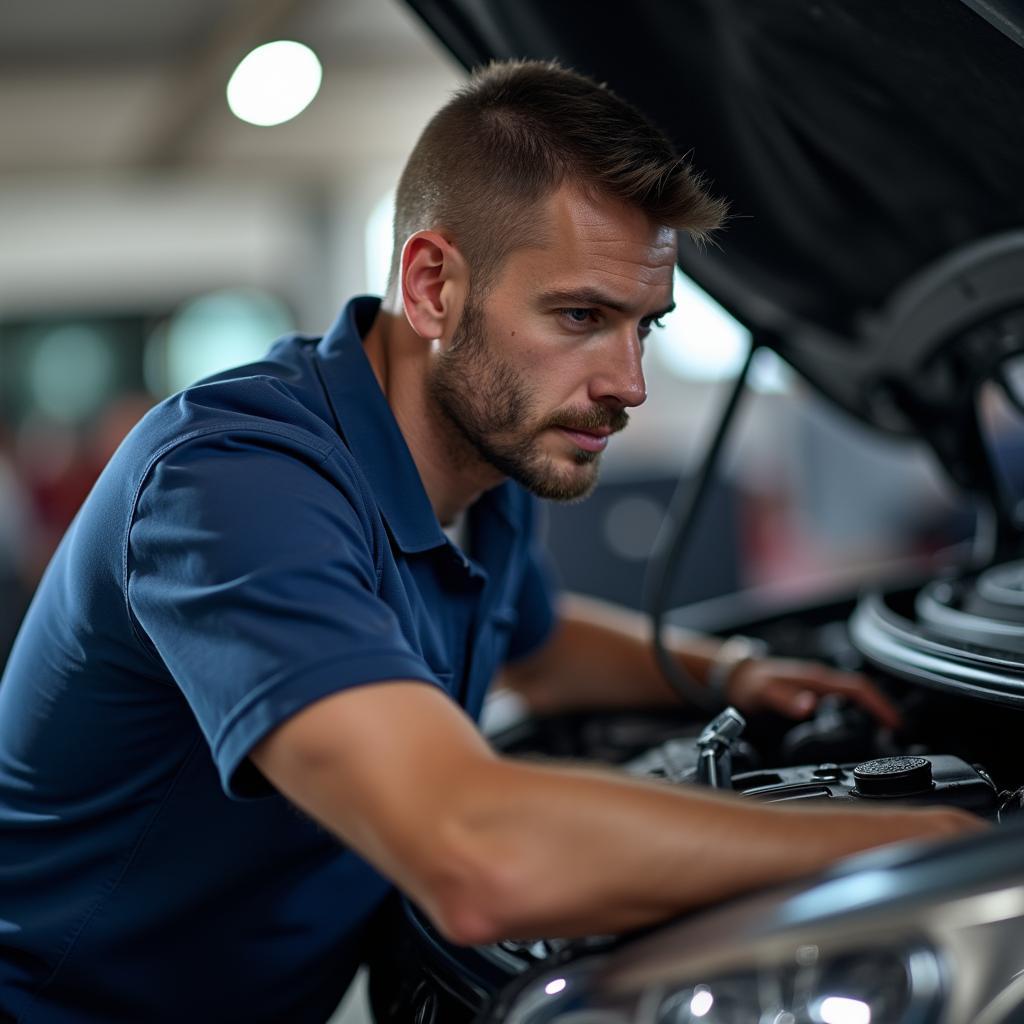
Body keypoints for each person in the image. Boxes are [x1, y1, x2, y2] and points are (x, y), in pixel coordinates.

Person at [0, 60, 981, 1024]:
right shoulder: (230, 481)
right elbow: (477, 858)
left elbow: (535, 644)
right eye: (581, 316)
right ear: (431, 286)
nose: (629, 382)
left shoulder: (483, 459)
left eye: (644, 325)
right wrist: (921, 841)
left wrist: (730, 673)